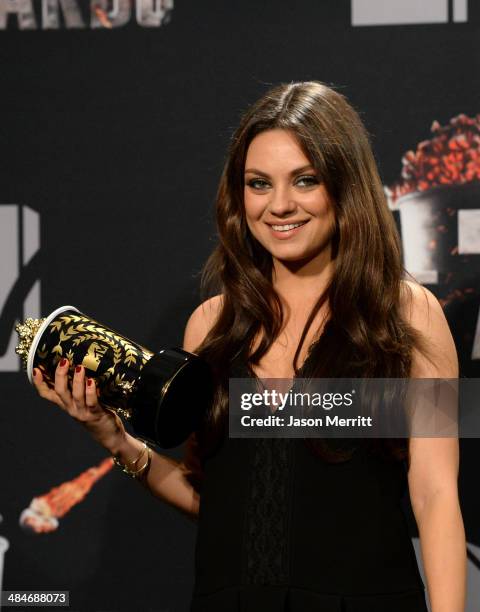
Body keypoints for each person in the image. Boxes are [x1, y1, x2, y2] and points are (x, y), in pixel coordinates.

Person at [32, 81, 466, 612]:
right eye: (259, 184)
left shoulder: (409, 314)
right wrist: (116, 440)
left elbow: (436, 495)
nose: (279, 205)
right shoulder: (209, 328)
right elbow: (215, 502)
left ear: (344, 186)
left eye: (305, 180)